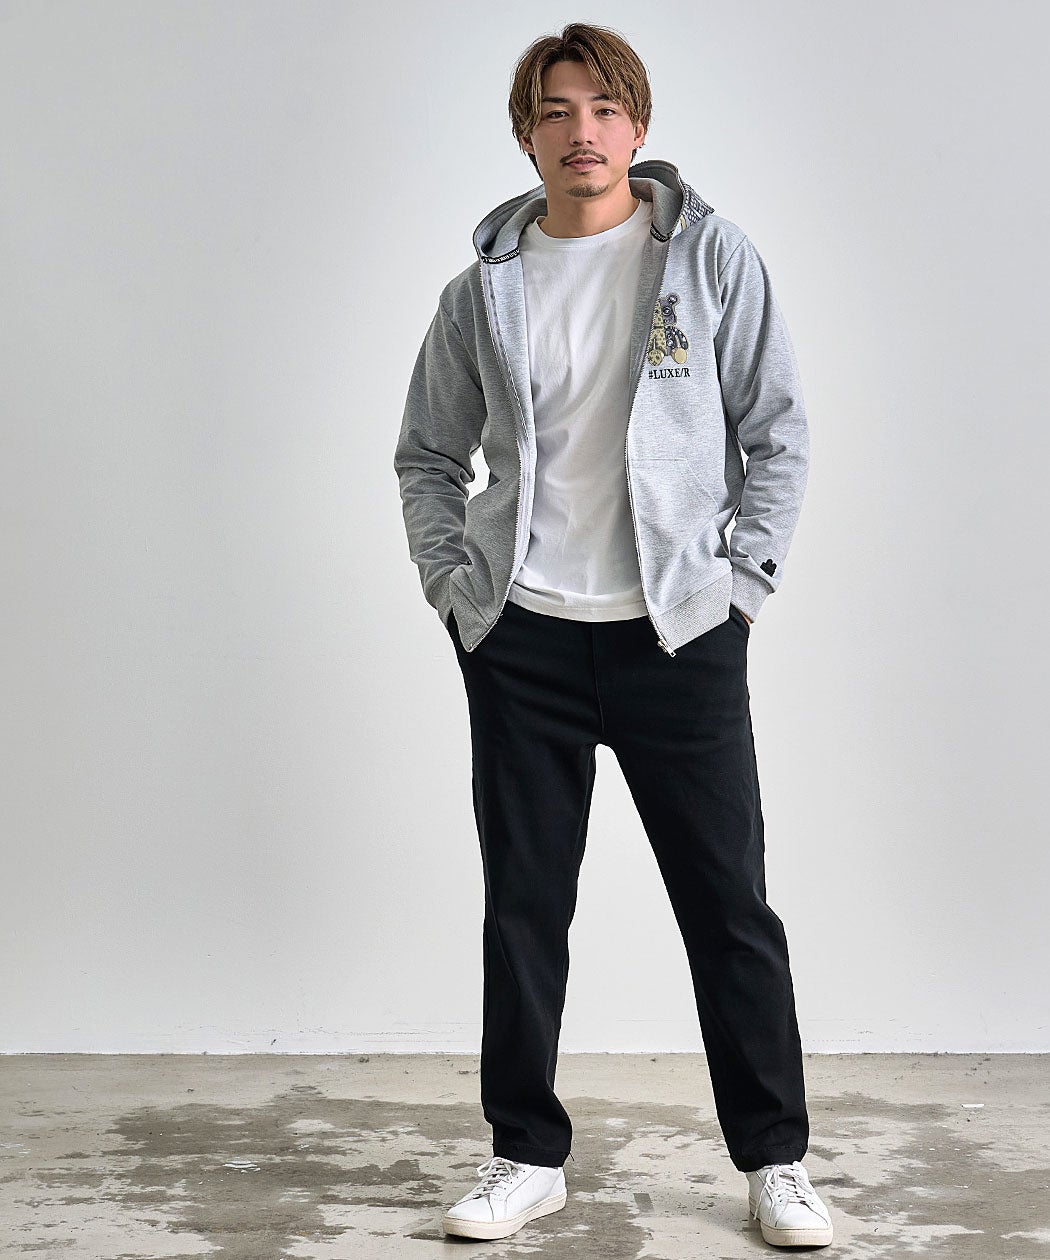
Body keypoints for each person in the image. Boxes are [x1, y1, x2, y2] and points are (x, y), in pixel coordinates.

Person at [393, 21, 833, 1250]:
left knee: (729, 906)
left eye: (601, 107)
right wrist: (457, 592)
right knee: (523, 908)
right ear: (526, 134)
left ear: (636, 125)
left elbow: (778, 429)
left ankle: (777, 1160)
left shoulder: (710, 257)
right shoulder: (482, 291)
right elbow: (428, 455)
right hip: (523, 639)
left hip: (679, 636)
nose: (579, 131)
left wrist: (742, 588)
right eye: (555, 110)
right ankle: (525, 1154)